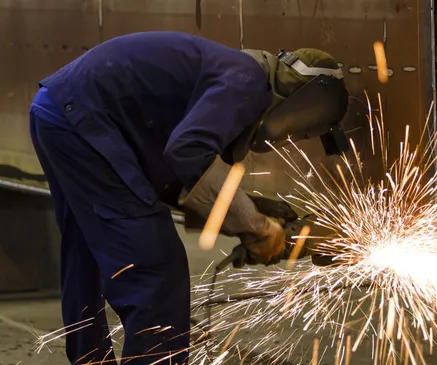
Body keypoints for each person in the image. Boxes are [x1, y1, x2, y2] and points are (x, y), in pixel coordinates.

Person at [29, 31, 348, 365]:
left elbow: (171, 180)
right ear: (309, 102)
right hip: (82, 120)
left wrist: (253, 213)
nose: (293, 138)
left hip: (57, 113)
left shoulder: (231, 73)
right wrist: (256, 225)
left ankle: (90, 360)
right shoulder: (248, 80)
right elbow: (188, 153)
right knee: (156, 269)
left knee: (85, 253)